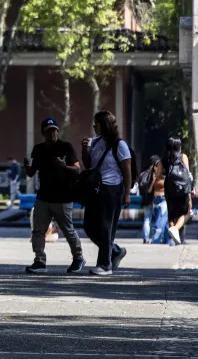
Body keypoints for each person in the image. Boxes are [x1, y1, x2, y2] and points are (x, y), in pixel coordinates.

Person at [23, 118, 84, 274]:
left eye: (55, 130)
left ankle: (78, 258)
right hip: (43, 197)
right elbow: (32, 172)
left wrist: (65, 167)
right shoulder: (38, 150)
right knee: (38, 230)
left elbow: (77, 170)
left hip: (63, 197)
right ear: (43, 132)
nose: (53, 133)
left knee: (68, 229)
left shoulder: (66, 147)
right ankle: (39, 260)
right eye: (49, 130)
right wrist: (27, 167)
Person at [81, 110, 132, 276]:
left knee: (105, 228)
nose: (93, 125)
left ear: (104, 125)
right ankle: (115, 250)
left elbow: (127, 170)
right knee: (89, 225)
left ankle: (104, 265)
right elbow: (89, 165)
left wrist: (127, 193)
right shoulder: (96, 143)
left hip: (112, 189)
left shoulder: (120, 145)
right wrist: (84, 151)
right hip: (96, 189)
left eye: (96, 123)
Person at [162, 137, 193, 245]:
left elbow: (158, 174)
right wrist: (191, 189)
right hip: (183, 189)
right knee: (187, 212)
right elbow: (188, 175)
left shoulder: (165, 158)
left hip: (169, 189)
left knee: (171, 214)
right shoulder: (183, 156)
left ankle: (174, 236)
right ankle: (175, 229)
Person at [145, 156, 169, 245]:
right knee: (164, 223)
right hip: (155, 201)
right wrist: (153, 180)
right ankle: (168, 241)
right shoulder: (153, 177)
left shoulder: (165, 176)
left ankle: (155, 241)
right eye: (156, 166)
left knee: (158, 224)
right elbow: (149, 190)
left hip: (163, 200)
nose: (156, 168)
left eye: (158, 166)